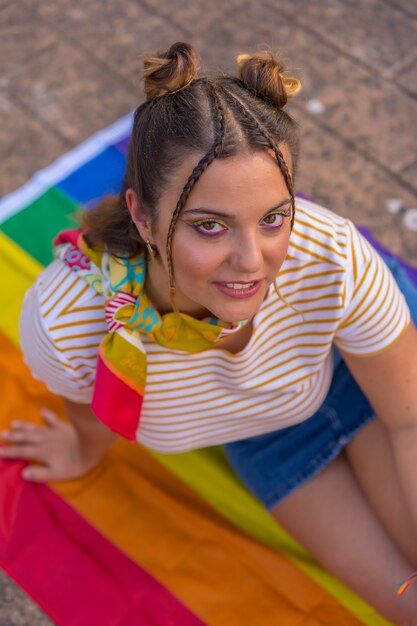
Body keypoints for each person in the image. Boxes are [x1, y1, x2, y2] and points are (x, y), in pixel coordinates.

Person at [2, 41, 417, 624]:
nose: (252, 261)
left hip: (363, 380)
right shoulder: (69, 324)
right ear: (142, 216)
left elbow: (408, 416)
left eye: (273, 217)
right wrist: (78, 452)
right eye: (210, 226)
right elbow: (93, 409)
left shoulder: (332, 258)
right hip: (273, 443)